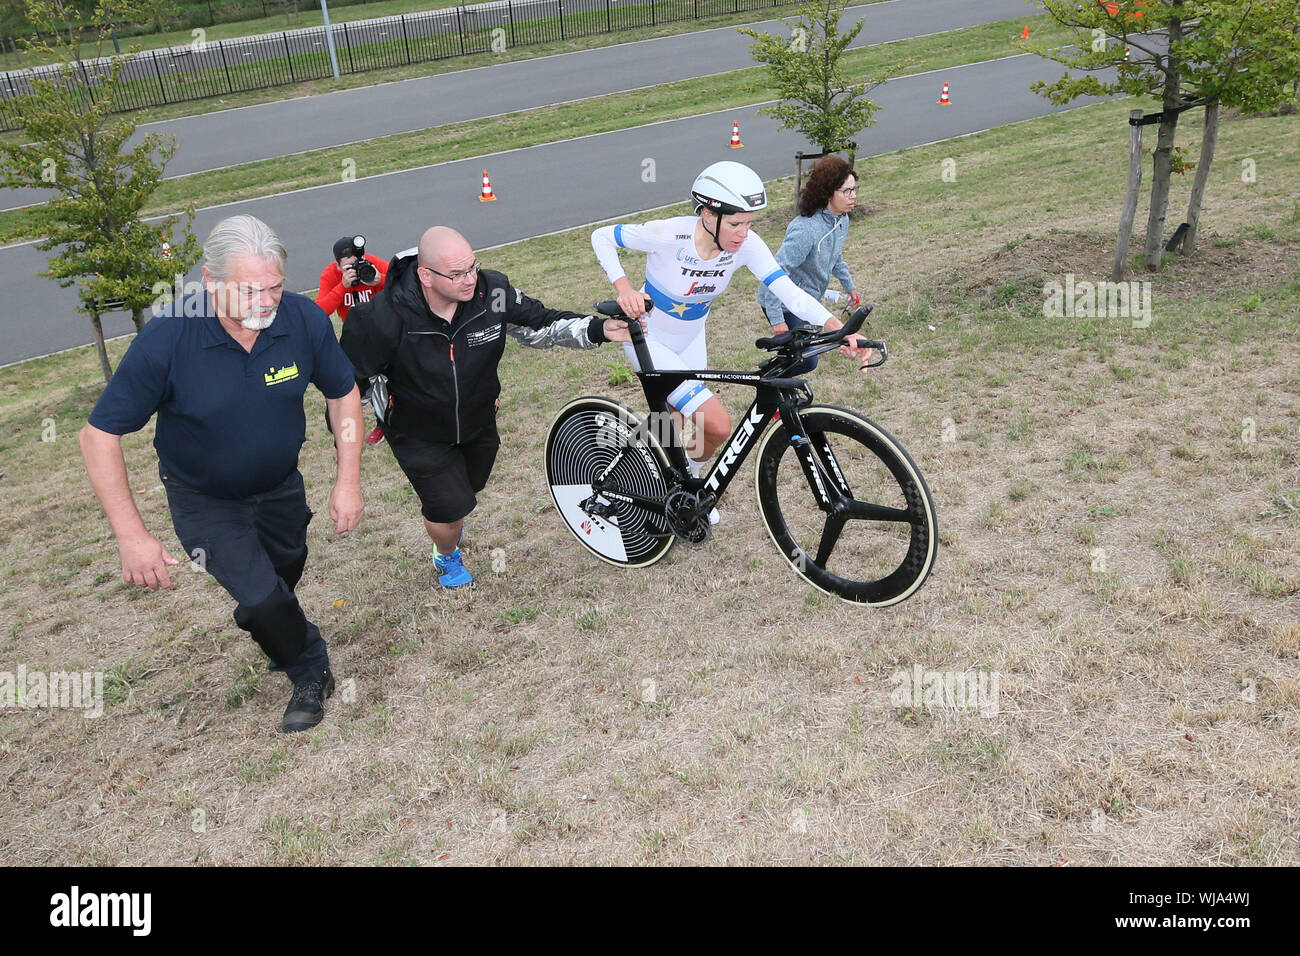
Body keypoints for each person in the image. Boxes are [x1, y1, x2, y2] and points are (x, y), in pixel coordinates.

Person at [79, 214, 364, 734]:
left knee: (281, 580)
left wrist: (348, 480)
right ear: (210, 283)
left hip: (280, 487)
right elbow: (98, 436)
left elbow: (342, 393)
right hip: (205, 498)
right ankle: (309, 666)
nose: (267, 300)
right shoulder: (168, 338)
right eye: (250, 290)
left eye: (275, 286)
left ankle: (272, 623)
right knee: (261, 596)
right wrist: (131, 536)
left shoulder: (301, 320)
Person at [340, 226, 639, 589]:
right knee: (450, 510)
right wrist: (350, 441)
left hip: (478, 419)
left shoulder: (491, 292)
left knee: (469, 489)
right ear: (425, 276)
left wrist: (598, 330)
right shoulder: (380, 319)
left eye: (472, 268)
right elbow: (348, 388)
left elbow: (540, 323)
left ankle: (452, 510)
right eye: (457, 274)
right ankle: (446, 553)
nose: (470, 280)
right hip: (415, 431)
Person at [591, 160, 867, 492]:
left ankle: (680, 491)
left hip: (691, 340)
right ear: (708, 214)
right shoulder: (668, 234)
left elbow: (789, 293)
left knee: (676, 424)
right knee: (718, 426)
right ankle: (675, 485)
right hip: (650, 340)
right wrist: (624, 289)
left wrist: (839, 328)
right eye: (736, 224)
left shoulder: (746, 245)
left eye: (749, 223)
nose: (743, 234)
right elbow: (602, 236)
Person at [758, 155, 861, 374]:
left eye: (854, 189)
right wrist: (777, 319)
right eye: (846, 191)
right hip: (782, 302)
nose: (853, 197)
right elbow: (775, 273)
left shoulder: (842, 220)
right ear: (827, 193)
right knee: (806, 360)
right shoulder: (806, 230)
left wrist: (849, 285)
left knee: (803, 357)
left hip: (806, 302)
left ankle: (781, 393)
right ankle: (769, 382)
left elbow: (835, 256)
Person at [319, 235, 389, 444]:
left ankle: (383, 425)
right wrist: (342, 286)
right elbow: (320, 311)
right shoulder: (331, 275)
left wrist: (379, 280)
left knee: (387, 382)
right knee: (347, 383)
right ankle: (341, 429)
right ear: (337, 265)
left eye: (356, 264)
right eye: (348, 267)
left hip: (382, 331)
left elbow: (403, 287)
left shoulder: (373, 264)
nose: (355, 270)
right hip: (354, 337)